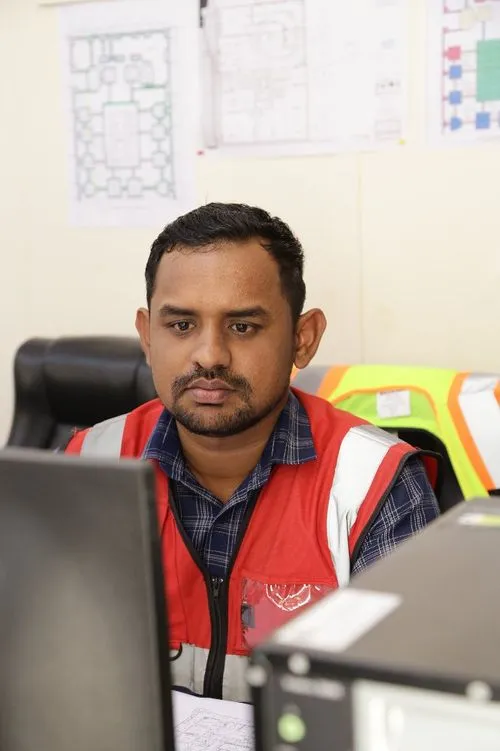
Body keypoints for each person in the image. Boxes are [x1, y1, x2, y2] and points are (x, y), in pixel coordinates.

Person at [66, 202, 440, 702]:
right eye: (181, 325)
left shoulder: (374, 485)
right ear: (146, 335)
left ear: (302, 340)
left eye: (242, 326)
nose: (210, 355)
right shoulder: (88, 464)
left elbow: (407, 709)